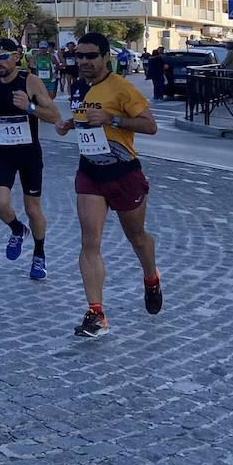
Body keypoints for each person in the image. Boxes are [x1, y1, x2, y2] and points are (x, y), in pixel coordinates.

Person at [56, 31, 163, 338]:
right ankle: (96, 313)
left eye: (92, 56)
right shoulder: (78, 86)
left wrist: (111, 120)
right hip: (90, 172)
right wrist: (68, 124)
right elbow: (83, 118)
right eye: (81, 56)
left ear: (105, 57)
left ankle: (151, 278)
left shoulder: (121, 88)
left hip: (124, 173)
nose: (85, 62)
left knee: (137, 237)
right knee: (90, 242)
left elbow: (150, 126)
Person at [0, 38, 62, 279]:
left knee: (33, 209)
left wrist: (30, 108)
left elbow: (55, 115)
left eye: (3, 57)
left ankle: (39, 254)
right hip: (2, 153)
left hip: (29, 155)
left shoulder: (30, 82)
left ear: (16, 57)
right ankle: (17, 229)